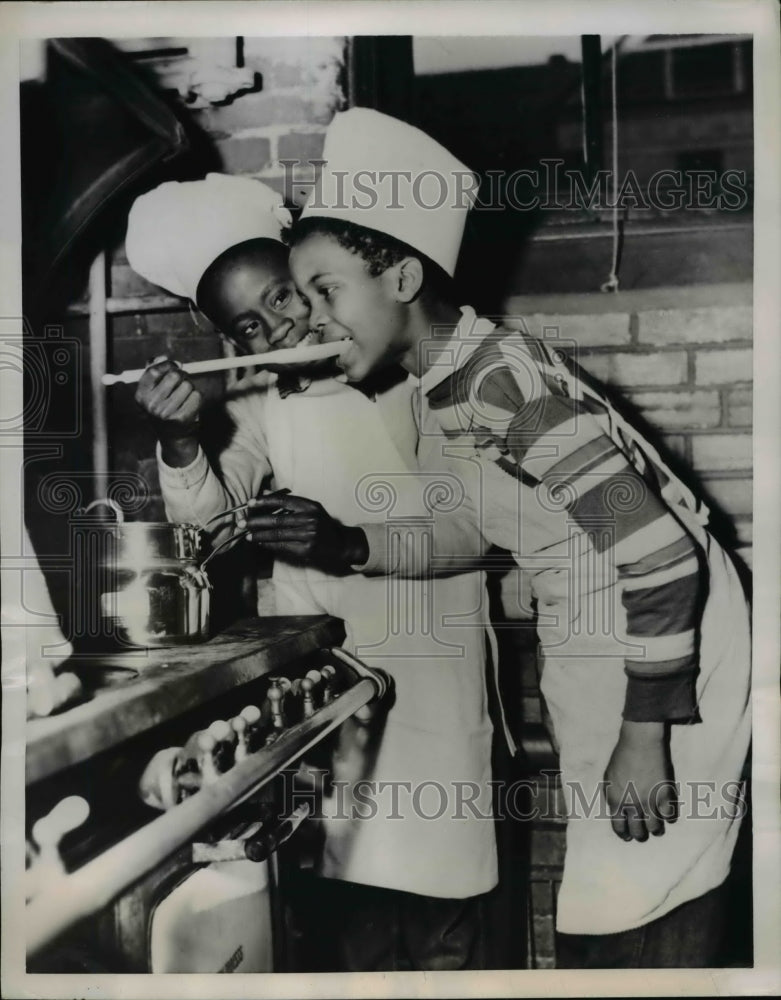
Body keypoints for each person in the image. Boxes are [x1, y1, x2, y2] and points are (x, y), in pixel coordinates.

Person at [244, 108, 752, 968]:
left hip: (662, 646)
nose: (312, 320)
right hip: (613, 638)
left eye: (327, 291)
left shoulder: (498, 385)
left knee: (636, 919)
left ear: (402, 277)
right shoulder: (447, 382)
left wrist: (645, 733)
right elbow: (469, 531)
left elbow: (661, 556)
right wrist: (344, 545)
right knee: (609, 910)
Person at [124, 172, 507, 971]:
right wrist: (184, 442)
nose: (276, 330)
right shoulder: (264, 399)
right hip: (329, 695)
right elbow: (206, 522)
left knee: (446, 931)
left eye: (285, 298)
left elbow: (473, 531)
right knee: (351, 924)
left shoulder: (418, 374)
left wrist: (341, 541)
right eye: (248, 326)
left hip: (436, 682)